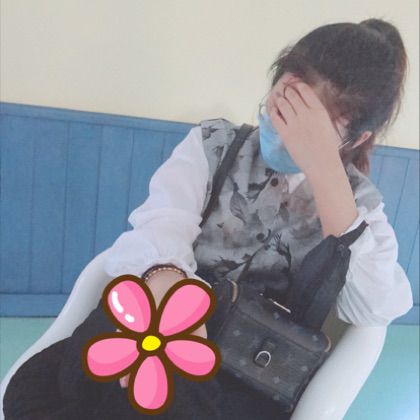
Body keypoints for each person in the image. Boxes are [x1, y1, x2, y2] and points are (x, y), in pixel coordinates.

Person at [3, 18, 414, 420]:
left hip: (251, 373)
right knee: (42, 387)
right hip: (159, 318)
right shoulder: (214, 145)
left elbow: (372, 309)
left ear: (357, 138)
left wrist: (324, 169)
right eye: (279, 108)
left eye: (307, 128)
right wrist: (174, 314)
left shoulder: (359, 205)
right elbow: (160, 227)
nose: (283, 130)